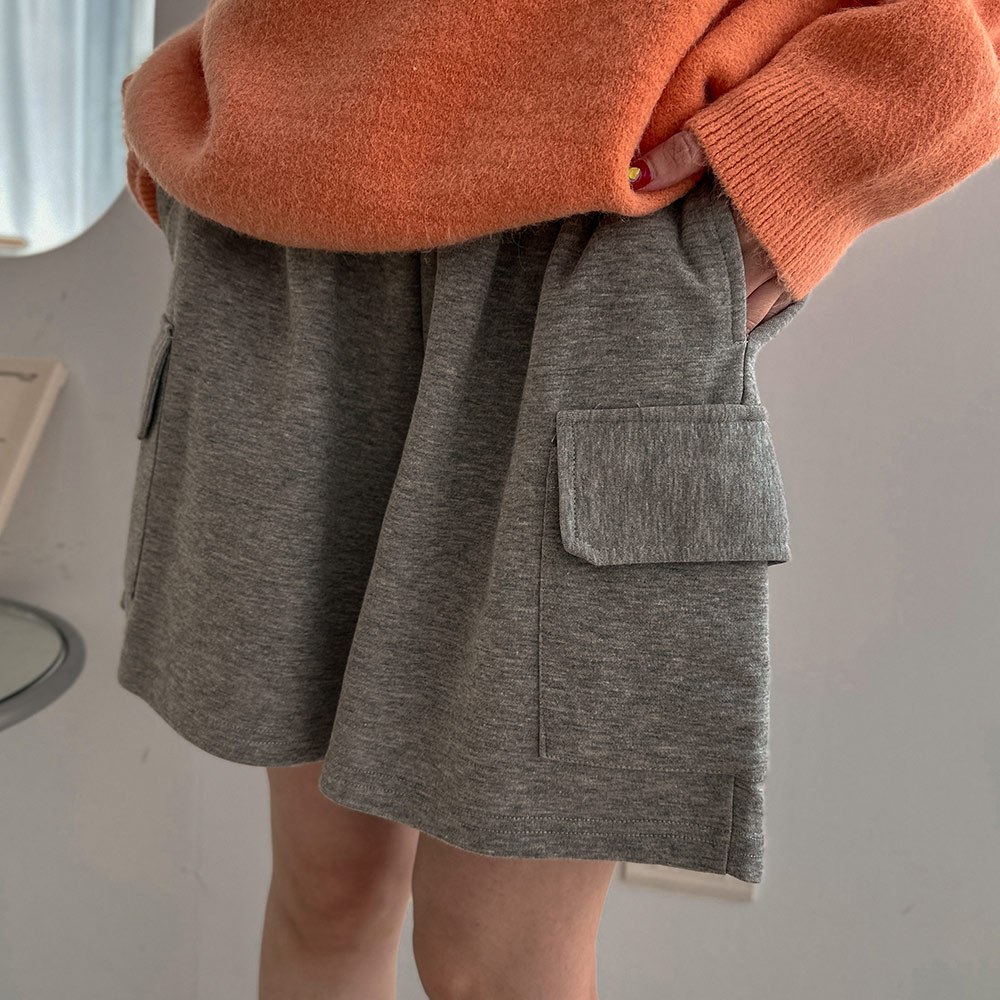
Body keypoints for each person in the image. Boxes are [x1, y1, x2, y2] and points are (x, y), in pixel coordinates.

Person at [115, 2, 1000, 997]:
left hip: (590, 243)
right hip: (288, 211)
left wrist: (804, 159)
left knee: (494, 959)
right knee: (328, 895)